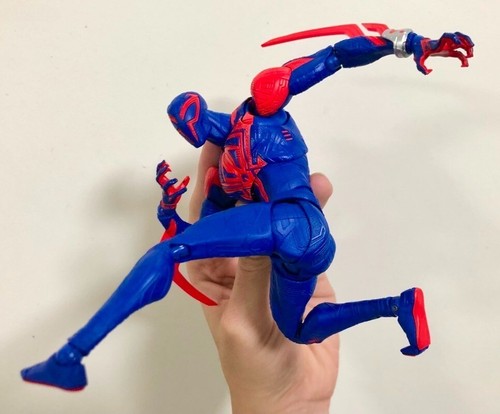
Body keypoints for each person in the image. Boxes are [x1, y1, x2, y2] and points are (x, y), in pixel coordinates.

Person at [21, 27, 473, 392]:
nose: (189, 125)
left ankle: (71, 355)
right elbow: (207, 235)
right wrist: (169, 211)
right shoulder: (226, 160)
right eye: (183, 121)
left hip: (291, 220)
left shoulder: (264, 105)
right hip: (307, 241)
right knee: (297, 330)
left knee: (167, 254)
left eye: (189, 114)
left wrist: (408, 43)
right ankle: (397, 306)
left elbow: (335, 56)